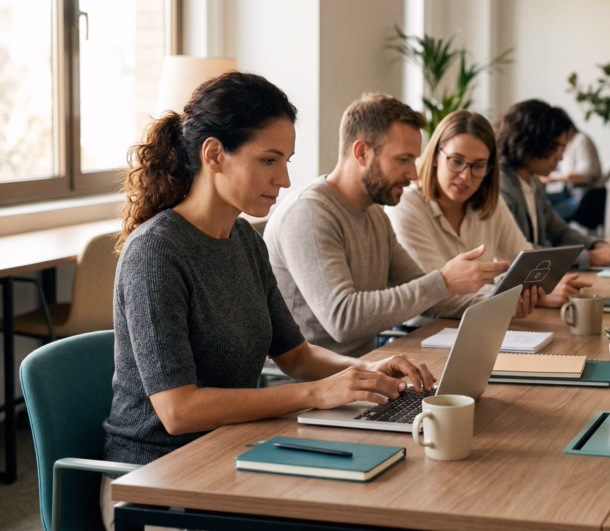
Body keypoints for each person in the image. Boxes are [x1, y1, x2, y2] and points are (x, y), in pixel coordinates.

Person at [102, 73, 435, 530]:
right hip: (157, 477)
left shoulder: (242, 238)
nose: (284, 178)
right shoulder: (157, 252)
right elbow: (178, 412)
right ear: (215, 154)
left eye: (287, 160)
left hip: (234, 450)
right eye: (269, 160)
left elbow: (295, 355)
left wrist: (363, 372)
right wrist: (314, 394)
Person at [263, 94, 508, 357]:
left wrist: (504, 303)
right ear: (362, 153)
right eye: (403, 160)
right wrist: (444, 281)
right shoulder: (309, 214)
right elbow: (343, 320)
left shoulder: (375, 214)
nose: (414, 174)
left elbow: (427, 293)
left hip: (365, 370)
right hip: (311, 387)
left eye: (414, 160)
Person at [386, 109, 591, 317]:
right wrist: (534, 297)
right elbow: (435, 297)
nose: (466, 176)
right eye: (456, 161)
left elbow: (527, 262)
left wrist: (540, 287)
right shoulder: (406, 206)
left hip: (483, 324)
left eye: (478, 166)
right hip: (419, 335)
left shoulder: (490, 203)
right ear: (436, 157)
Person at [496, 99, 610, 269]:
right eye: (555, 147)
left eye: (562, 148)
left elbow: (559, 231)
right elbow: (519, 253)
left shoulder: (532, 180)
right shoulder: (501, 185)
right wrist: (591, 257)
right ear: (531, 142)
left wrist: (599, 245)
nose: (561, 157)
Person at [542, 119, 602, 221]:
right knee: (541, 200)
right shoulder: (567, 145)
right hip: (570, 193)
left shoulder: (581, 140)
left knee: (544, 212)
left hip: (585, 197)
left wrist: (554, 177)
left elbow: (586, 175)